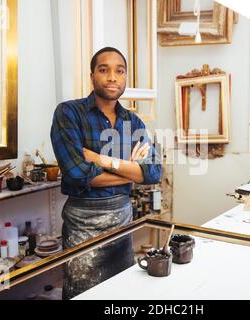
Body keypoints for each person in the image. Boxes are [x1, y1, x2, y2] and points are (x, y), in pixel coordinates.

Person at [50, 47, 162, 300]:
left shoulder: (133, 122)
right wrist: (132, 172)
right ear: (92, 76)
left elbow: (154, 172)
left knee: (121, 294)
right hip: (83, 224)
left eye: (119, 71)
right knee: (83, 295)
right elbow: (78, 174)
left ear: (125, 77)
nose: (112, 77)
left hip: (122, 223)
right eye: (104, 70)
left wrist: (101, 160)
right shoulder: (68, 113)